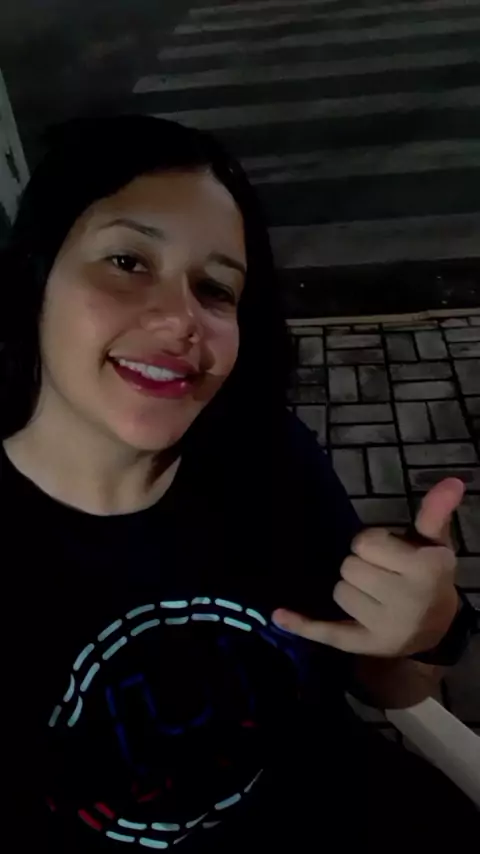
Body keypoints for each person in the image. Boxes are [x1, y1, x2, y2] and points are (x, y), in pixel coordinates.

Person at [1, 115, 477, 853]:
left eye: (215, 289)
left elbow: (389, 685)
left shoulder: (267, 457)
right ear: (37, 276)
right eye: (128, 261)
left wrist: (430, 629)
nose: (180, 318)